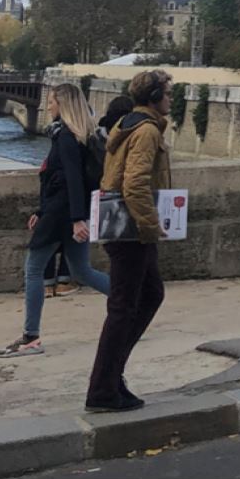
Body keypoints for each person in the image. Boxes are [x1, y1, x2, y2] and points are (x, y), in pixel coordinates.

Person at [0, 83, 111, 358]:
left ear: (63, 105)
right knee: (81, 271)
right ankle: (130, 302)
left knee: (34, 270)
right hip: (65, 212)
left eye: (51, 102)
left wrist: (75, 220)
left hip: (62, 215)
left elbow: (71, 180)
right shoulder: (76, 136)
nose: (47, 106)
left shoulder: (66, 138)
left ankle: (31, 337)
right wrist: (41, 209)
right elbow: (59, 180)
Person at [85, 70, 173, 412]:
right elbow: (135, 184)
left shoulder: (127, 125)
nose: (170, 99)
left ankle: (111, 379)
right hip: (131, 230)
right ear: (153, 97)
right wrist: (150, 225)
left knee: (148, 295)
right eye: (166, 93)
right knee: (123, 308)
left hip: (123, 227)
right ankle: (103, 389)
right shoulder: (147, 130)